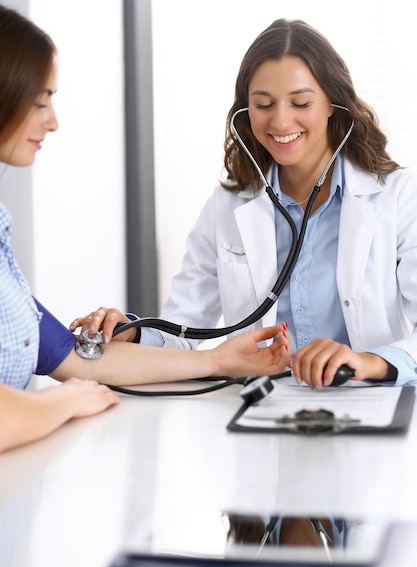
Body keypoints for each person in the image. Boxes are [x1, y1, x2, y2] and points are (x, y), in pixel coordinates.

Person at [0, 5, 290, 453]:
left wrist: (221, 358)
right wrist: (66, 402)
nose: (54, 120)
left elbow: (75, 358)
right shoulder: (229, 203)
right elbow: (71, 380)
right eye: (41, 101)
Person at [73, 18, 417, 389]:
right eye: (263, 104)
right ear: (245, 111)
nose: (281, 120)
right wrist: (133, 331)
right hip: (261, 410)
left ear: (334, 104)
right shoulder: (226, 207)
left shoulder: (397, 198)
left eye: (301, 102)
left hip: (370, 409)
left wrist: (368, 362)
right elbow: (185, 330)